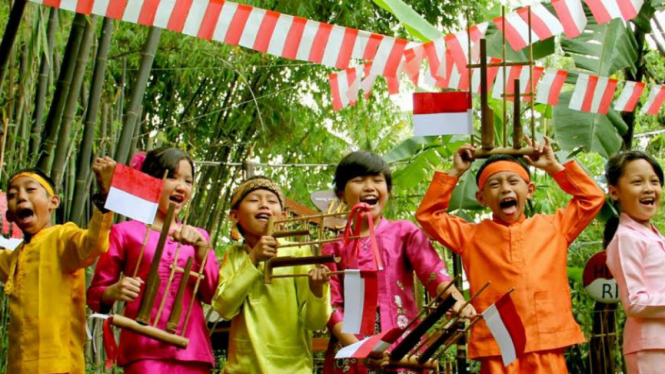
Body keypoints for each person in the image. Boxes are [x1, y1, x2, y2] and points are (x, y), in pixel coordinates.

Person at [416, 137, 605, 374]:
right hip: (498, 343)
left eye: (513, 181)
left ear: (530, 190)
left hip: (547, 339)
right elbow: (428, 216)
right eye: (494, 185)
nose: (505, 188)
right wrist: (455, 171)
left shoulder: (555, 227)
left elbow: (592, 198)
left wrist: (553, 167)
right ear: (481, 198)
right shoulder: (470, 236)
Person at [323, 150, 475, 374]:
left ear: (388, 191)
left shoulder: (404, 232)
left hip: (401, 348)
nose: (369, 187)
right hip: (351, 352)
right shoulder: (333, 248)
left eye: (377, 180)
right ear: (341, 194)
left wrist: (458, 301)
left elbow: (433, 273)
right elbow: (331, 306)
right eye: (358, 180)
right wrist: (357, 350)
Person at [87, 147, 219, 374]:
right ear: (150, 181)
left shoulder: (199, 236)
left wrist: (201, 250)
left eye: (188, 181)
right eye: (172, 177)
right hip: (143, 349)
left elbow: (212, 294)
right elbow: (95, 293)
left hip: (192, 348)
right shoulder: (125, 232)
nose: (181, 186)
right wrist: (114, 291)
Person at [0, 159, 115, 374]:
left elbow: (94, 244)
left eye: (30, 189)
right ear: (10, 215)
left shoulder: (62, 238)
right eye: (13, 195)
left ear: (53, 202)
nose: (21, 197)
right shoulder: (13, 258)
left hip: (58, 365)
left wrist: (105, 196)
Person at [212, 176, 331, 373]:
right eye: (254, 200)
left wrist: (318, 290)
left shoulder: (299, 252)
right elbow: (224, 307)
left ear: (283, 217)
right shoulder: (233, 256)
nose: (264, 205)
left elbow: (315, 322)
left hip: (292, 368)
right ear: (235, 216)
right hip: (242, 368)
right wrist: (253, 259)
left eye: (271, 201)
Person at [604, 151, 665, 374]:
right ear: (614, 192)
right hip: (650, 347)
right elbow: (634, 302)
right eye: (637, 182)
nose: (648, 188)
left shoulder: (656, 237)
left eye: (654, 181)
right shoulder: (626, 238)